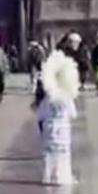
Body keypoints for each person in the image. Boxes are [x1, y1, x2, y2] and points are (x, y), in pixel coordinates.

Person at [36, 50, 80, 186]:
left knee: (49, 155)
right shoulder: (67, 98)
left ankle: (48, 176)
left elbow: (40, 115)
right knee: (64, 156)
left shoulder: (47, 99)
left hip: (49, 129)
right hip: (63, 130)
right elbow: (73, 114)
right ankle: (62, 177)